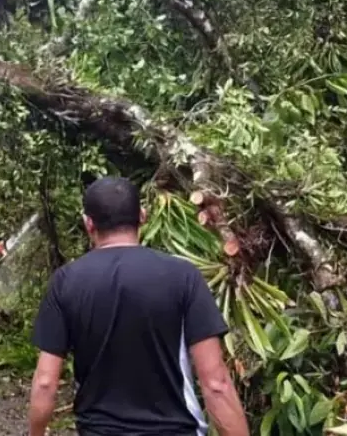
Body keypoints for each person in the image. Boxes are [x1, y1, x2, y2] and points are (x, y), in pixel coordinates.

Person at [28, 177, 249, 436]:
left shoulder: (65, 281)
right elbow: (216, 383)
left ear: (88, 223)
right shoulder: (183, 276)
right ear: (142, 216)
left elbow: (45, 383)